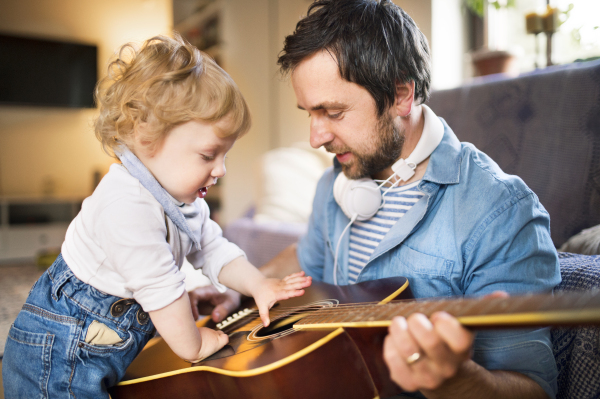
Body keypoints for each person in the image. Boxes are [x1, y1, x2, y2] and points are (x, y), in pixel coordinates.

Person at [190, 1, 562, 398]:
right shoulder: (335, 185)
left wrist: (456, 381)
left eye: (332, 111)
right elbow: (305, 255)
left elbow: (534, 389)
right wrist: (244, 288)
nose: (316, 137)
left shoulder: (501, 213)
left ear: (402, 94)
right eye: (309, 113)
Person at [2, 34, 311, 399]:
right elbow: (163, 289)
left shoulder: (183, 201)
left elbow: (214, 249)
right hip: (61, 356)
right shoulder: (125, 204)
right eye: (208, 155)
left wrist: (260, 284)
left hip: (104, 346)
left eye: (225, 155)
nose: (221, 170)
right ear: (147, 138)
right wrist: (193, 345)